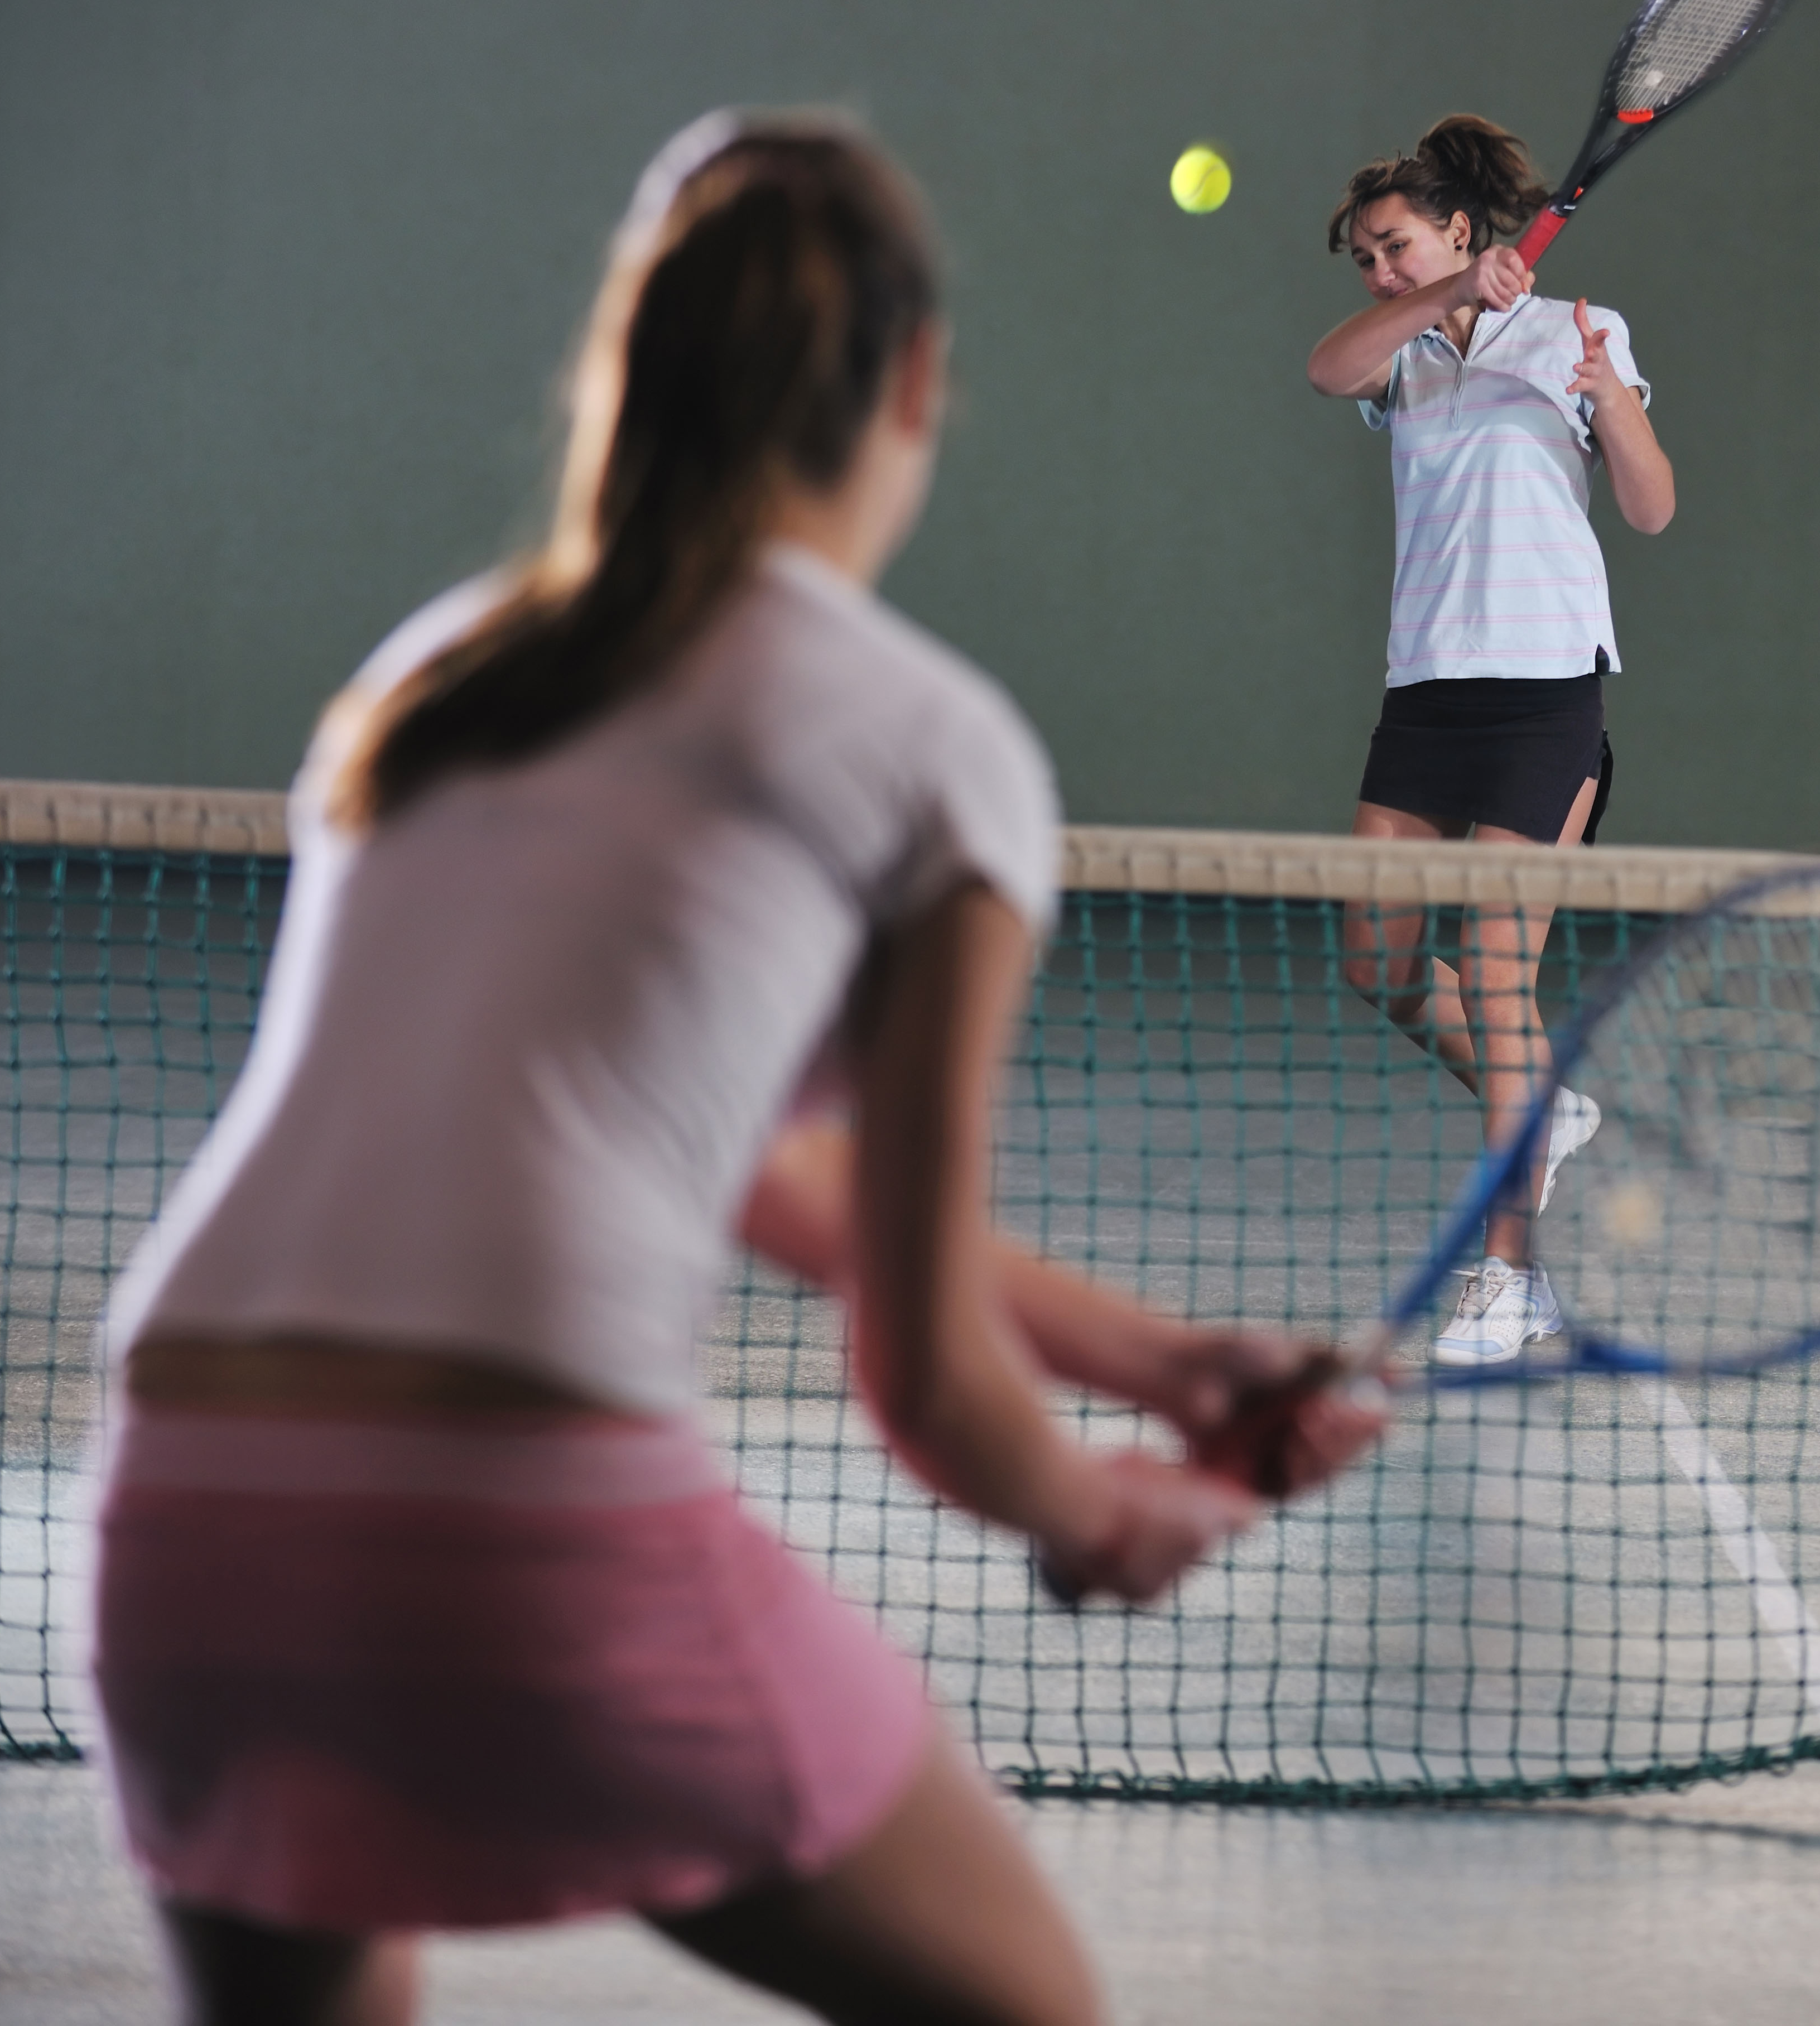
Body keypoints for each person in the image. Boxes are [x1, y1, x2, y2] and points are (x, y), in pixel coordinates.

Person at [90, 110, 1383, 2026]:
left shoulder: (435, 681)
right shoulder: (936, 751)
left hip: (184, 1514)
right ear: (918, 384)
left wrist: (1165, 1366)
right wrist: (1096, 1513)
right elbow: (933, 1385)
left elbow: (717, 1171)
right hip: (525, 1524)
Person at [1302, 114, 1675, 1370]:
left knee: (1499, 975)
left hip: (1543, 698)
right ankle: (1545, 1109)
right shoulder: (1404, 356)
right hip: (1426, 695)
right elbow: (1327, 368)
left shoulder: (1582, 329)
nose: (1378, 271)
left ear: (1460, 226)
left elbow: (1652, 507)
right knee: (1377, 961)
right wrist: (1446, 296)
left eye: (1396, 246)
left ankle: (1513, 1281)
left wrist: (1604, 393)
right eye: (1365, 256)